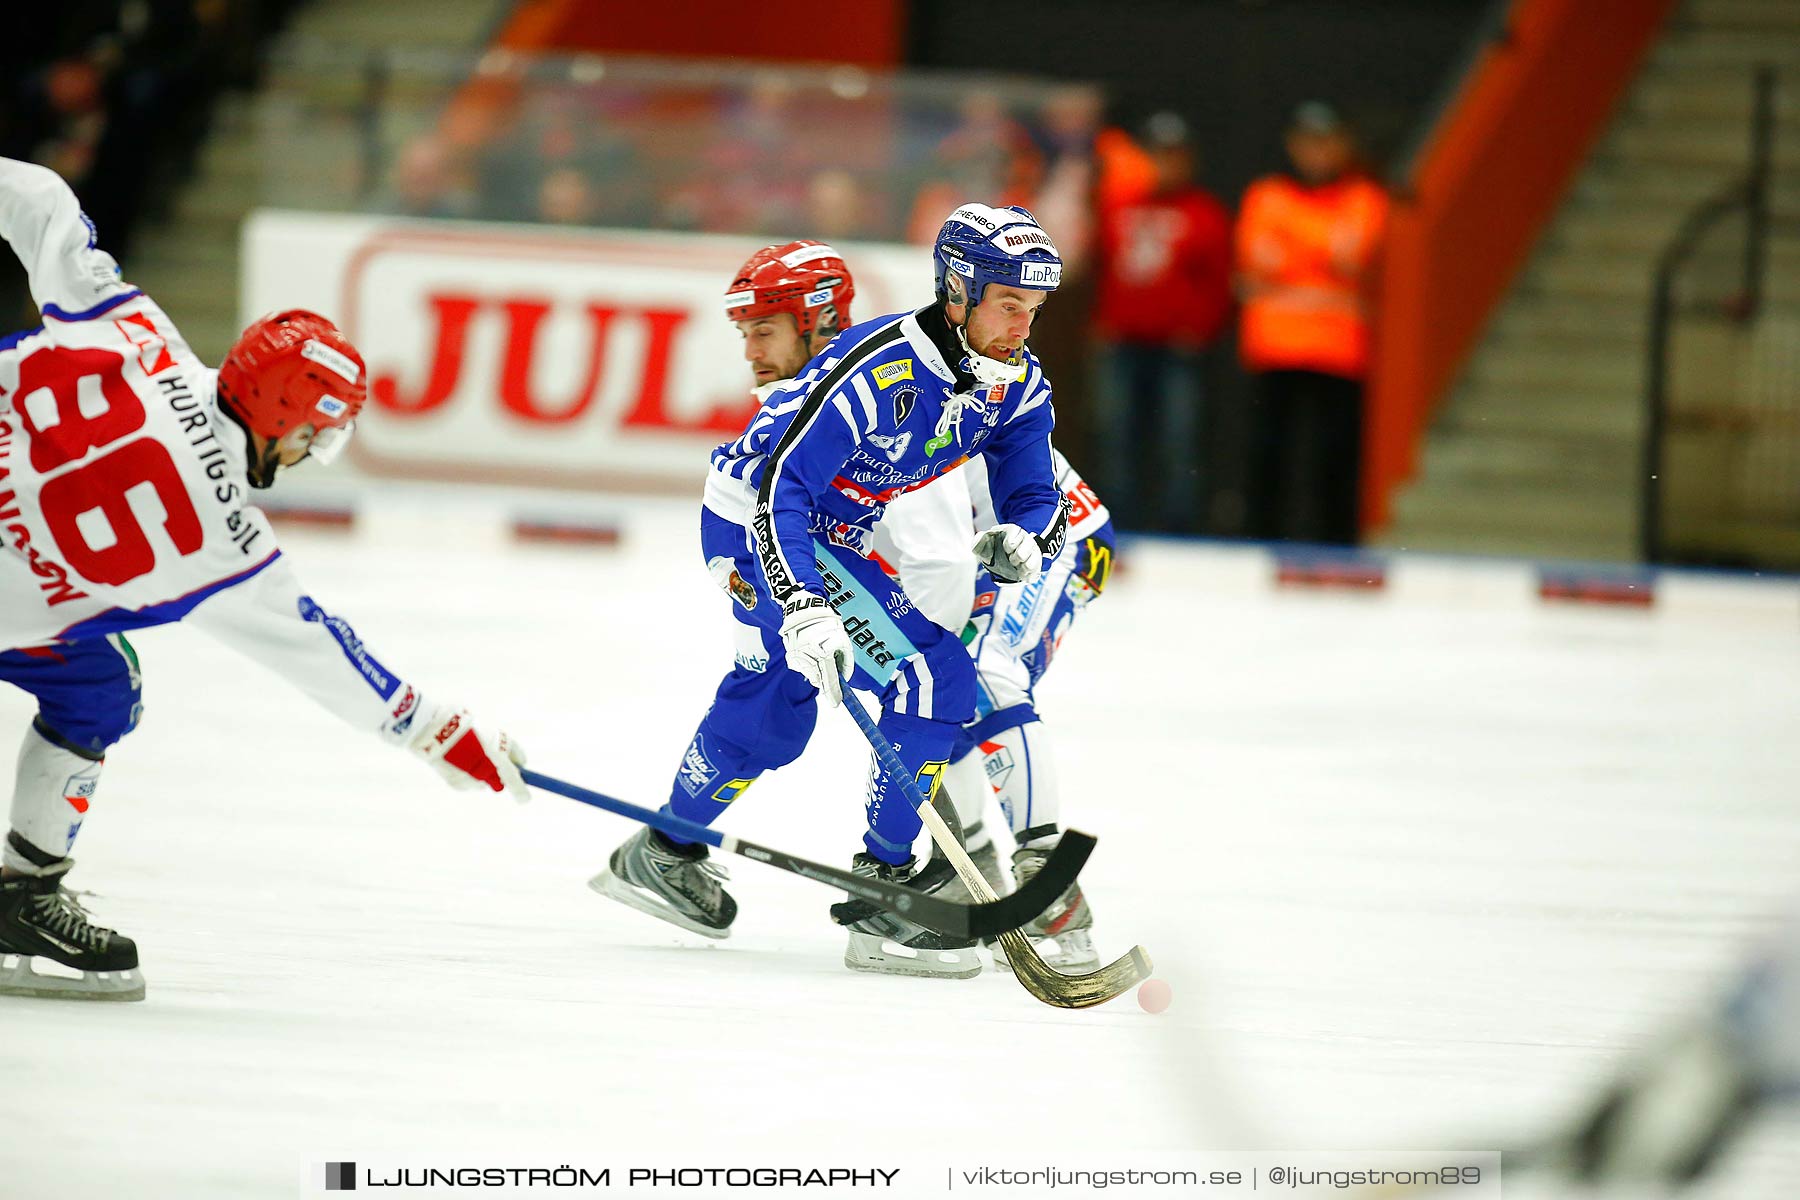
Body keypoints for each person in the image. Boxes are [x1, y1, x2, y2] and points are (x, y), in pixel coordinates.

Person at [0, 157, 528, 1003]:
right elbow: (331, 659)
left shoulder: (134, 331)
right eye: (316, 434)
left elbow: (39, 200)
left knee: (102, 679)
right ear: (286, 414)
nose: (311, 454)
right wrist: (442, 736)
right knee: (103, 690)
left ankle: (23, 896)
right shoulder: (227, 541)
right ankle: (22, 891)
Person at [591, 206, 1070, 980]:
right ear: (959, 288)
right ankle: (885, 900)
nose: (1023, 326)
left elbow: (1033, 482)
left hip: (810, 540)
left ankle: (665, 849)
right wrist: (797, 599)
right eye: (1009, 304)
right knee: (929, 676)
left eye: (1033, 309)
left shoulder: (1013, 383)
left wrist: (1029, 531)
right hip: (776, 531)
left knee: (773, 714)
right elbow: (772, 489)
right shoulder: (879, 368)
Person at [875, 447, 1114, 971]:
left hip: (1055, 538)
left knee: (985, 671)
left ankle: (1045, 877)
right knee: (935, 695)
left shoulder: (868, 397)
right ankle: (971, 869)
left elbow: (940, 554)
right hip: (967, 553)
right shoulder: (793, 421)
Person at [1235, 101, 1388, 545]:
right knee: (1267, 453)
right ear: (1291, 145)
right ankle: (1257, 542)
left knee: (1335, 459)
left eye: (1326, 142)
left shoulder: (1365, 199)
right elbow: (1258, 259)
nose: (1316, 153)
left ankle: (1337, 551)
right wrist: (1321, 253)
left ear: (1344, 145)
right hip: (1274, 347)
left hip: (1340, 350)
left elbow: (1355, 256)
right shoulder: (1266, 195)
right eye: (1307, 142)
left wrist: (1294, 250)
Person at [1089, 111, 1232, 532]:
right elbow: (1101, 266)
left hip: (1176, 348)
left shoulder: (1205, 213)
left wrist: (1199, 330)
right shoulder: (1118, 205)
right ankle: (1117, 524)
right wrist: (1104, 320)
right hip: (1123, 341)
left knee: (1178, 440)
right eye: (1157, 154)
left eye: (1174, 155)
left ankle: (1178, 527)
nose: (1165, 164)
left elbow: (1219, 281)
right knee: (1116, 437)